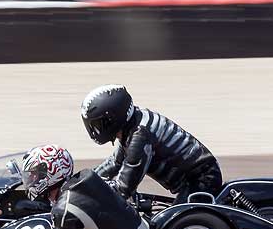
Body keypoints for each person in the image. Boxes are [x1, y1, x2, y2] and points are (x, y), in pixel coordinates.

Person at [81, 84, 223, 205]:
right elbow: (115, 163)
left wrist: (94, 191)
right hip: (195, 179)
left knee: (170, 226)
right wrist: (83, 182)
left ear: (113, 118)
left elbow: (124, 187)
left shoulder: (140, 135)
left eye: (99, 123)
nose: (95, 129)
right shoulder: (133, 125)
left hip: (202, 180)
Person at [19, 145, 152, 229]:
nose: (31, 179)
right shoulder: (87, 175)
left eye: (35, 174)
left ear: (51, 173)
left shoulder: (62, 210)